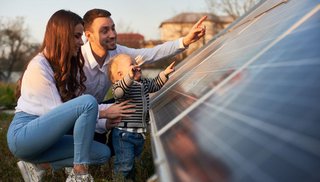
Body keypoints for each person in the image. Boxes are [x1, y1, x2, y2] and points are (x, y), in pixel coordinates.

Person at [6, 10, 111, 182]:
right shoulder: (38, 66)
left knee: (102, 153)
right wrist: (104, 113)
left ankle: (37, 166)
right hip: (24, 135)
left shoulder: (63, 67)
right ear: (62, 36)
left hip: (48, 136)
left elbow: (71, 117)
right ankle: (80, 174)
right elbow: (62, 114)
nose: (81, 41)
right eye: (77, 36)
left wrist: (105, 122)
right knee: (88, 102)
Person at [81, 8, 207, 144]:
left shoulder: (118, 52)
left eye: (113, 28)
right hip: (76, 116)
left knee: (131, 101)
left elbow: (151, 53)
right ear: (89, 35)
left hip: (99, 111)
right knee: (96, 152)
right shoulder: (78, 60)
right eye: (104, 31)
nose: (112, 35)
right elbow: (70, 107)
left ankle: (121, 143)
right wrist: (104, 115)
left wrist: (185, 41)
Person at [107, 54, 175, 180]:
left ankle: (132, 178)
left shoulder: (143, 83)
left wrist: (164, 74)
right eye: (131, 65)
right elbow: (119, 92)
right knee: (125, 164)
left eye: (135, 63)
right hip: (124, 135)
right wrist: (129, 78)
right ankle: (119, 179)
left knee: (135, 163)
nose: (136, 66)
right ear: (120, 75)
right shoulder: (121, 87)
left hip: (139, 134)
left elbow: (155, 85)